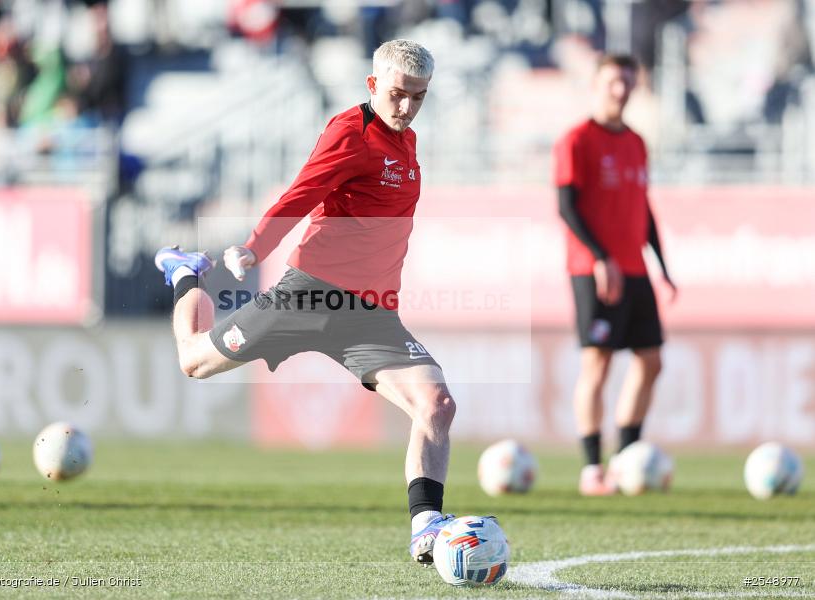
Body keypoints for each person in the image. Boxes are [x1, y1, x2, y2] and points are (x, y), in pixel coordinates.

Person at [155, 39, 476, 565]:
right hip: (306, 297)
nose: (407, 107)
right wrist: (255, 246)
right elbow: (301, 193)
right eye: (398, 95)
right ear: (373, 86)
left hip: (370, 314)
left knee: (437, 404)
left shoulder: (408, 142)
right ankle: (186, 273)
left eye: (419, 97)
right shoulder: (351, 130)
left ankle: (426, 527)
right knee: (193, 361)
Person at [552, 54, 677, 496]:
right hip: (594, 269)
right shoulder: (576, 140)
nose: (620, 90)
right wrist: (601, 256)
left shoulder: (637, 142)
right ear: (597, 85)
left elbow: (643, 209)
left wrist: (662, 267)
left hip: (635, 268)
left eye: (627, 82)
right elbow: (566, 207)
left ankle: (627, 458)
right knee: (598, 362)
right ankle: (592, 468)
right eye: (612, 82)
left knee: (651, 359)